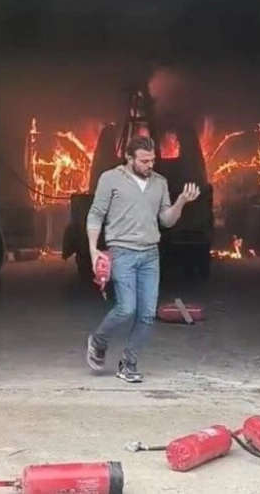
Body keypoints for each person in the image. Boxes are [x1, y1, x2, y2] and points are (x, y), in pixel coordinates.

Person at [85, 135, 200, 383]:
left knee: (147, 314)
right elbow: (96, 214)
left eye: (152, 160)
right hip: (122, 252)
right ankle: (99, 341)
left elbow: (166, 220)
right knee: (127, 309)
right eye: (144, 161)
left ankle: (128, 363)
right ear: (129, 158)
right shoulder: (110, 179)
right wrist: (93, 249)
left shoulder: (160, 183)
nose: (150, 165)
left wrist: (181, 201)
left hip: (150, 255)